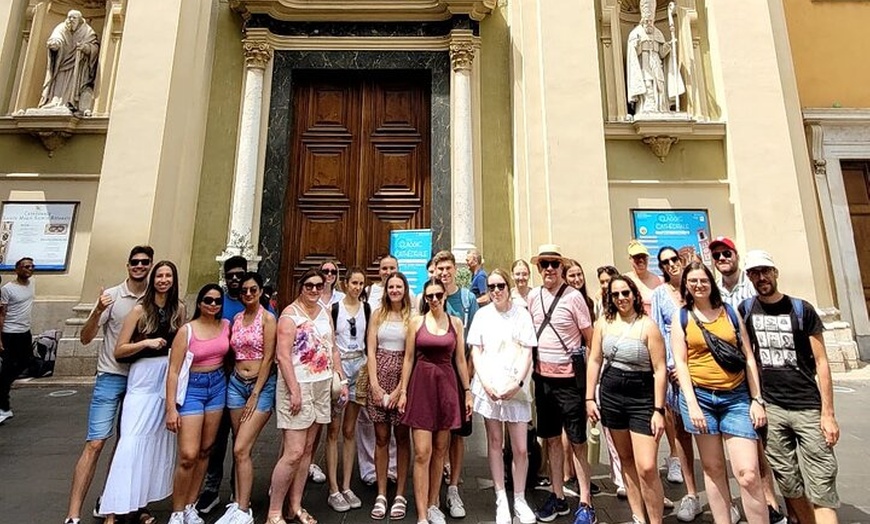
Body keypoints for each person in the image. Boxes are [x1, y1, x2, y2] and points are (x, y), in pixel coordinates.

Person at [739, 251, 840, 524]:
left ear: (775, 272)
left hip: (807, 406)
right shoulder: (746, 310)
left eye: (765, 271)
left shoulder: (801, 309)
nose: (761, 277)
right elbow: (746, 356)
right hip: (772, 408)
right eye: (755, 273)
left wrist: (828, 413)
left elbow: (821, 362)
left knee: (822, 483)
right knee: (788, 481)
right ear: (749, 277)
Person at [671, 262, 768, 524]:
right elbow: (681, 363)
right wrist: (691, 404)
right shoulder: (682, 317)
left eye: (703, 280)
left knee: (748, 473)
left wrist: (756, 399)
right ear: (686, 285)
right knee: (713, 469)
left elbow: (748, 356)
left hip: (736, 397)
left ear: (711, 282)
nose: (698, 285)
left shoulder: (730, 313)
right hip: (701, 398)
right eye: (693, 281)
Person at [64, 246, 153, 524]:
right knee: (95, 443)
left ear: (150, 265)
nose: (139, 266)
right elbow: (85, 338)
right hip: (110, 376)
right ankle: (73, 514)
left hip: (140, 381)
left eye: (145, 262)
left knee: (127, 444)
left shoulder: (154, 297)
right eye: (135, 262)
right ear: (128, 265)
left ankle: (110, 500)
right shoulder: (112, 296)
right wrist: (97, 311)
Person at [99, 260, 186, 524]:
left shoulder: (179, 309)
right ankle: (111, 510)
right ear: (153, 279)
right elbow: (119, 350)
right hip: (142, 378)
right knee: (130, 441)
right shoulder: (139, 310)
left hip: (166, 376)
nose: (163, 280)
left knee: (153, 445)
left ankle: (139, 505)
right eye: (159, 276)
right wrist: (146, 343)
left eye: (168, 276)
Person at [266, 269, 348, 524]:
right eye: (309, 285)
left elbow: (333, 348)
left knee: (308, 450)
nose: (314, 290)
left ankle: (295, 505)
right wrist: (294, 390)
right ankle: (274, 512)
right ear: (300, 287)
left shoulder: (324, 311)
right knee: (293, 452)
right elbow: (282, 356)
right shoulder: (290, 316)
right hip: (298, 386)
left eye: (318, 286)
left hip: (321, 386)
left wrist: (341, 378)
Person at [587, 276, 667, 524]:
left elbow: (660, 369)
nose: (621, 298)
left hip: (642, 396)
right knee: (626, 459)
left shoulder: (648, 326)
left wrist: (659, 410)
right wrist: (589, 398)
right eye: (615, 294)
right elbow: (595, 360)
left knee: (647, 466)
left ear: (634, 295)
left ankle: (656, 520)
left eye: (625, 293)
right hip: (612, 395)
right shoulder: (603, 323)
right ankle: (638, 516)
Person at [527, 244, 596, 524]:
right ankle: (557, 496)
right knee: (552, 439)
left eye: (554, 264)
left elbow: (590, 339)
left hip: (570, 382)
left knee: (577, 441)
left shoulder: (574, 298)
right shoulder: (533, 296)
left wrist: (591, 387)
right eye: (544, 264)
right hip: (543, 380)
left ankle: (585, 501)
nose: (549, 269)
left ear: (561, 267)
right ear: (539, 268)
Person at [398, 278, 472, 524]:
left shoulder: (456, 323)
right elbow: (409, 358)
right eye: (430, 296)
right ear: (425, 298)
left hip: (447, 388)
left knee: (440, 450)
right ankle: (421, 514)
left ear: (444, 295)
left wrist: (467, 391)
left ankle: (433, 504)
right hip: (422, 387)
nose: (434, 300)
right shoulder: (416, 322)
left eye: (438, 295)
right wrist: (403, 391)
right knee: (422, 452)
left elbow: (460, 360)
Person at [467, 269, 537, 524]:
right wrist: (485, 383)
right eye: (492, 287)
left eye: (500, 286)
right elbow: (476, 351)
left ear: (508, 287)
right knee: (495, 443)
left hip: (515, 386)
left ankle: (519, 498)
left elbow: (528, 351)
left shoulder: (522, 314)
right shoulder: (483, 315)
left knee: (520, 447)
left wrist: (517, 384)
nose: (496, 291)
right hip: (491, 385)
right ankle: (500, 499)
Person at [215, 272, 277, 524]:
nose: (249, 294)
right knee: (240, 447)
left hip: (260, 387)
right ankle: (240, 502)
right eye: (244, 291)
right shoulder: (237, 319)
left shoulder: (268, 319)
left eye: (253, 290)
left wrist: (255, 392)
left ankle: (243, 508)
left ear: (261, 291)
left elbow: (269, 357)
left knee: (241, 447)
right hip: (236, 384)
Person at [165, 285, 231, 524]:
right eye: (208, 300)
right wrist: (171, 408)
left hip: (217, 387)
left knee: (205, 450)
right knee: (188, 454)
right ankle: (176, 511)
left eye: (217, 301)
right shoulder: (187, 330)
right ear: (200, 302)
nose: (213, 304)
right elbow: (173, 371)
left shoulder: (226, 326)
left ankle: (190, 506)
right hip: (193, 388)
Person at [649, 246, 704, 521]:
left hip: (702, 369)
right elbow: (658, 332)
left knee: (709, 436)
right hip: (674, 373)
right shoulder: (660, 294)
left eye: (674, 259)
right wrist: (668, 366)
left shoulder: (697, 286)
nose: (671, 264)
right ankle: (691, 494)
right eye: (665, 262)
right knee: (682, 435)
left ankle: (721, 495)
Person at [432, 250, 479, 518]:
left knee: (458, 434)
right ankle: (435, 487)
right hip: (434, 376)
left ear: (454, 269)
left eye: (448, 268)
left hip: (459, 375)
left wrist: (467, 380)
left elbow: (474, 342)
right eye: (440, 269)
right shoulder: (429, 297)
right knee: (437, 434)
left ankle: (453, 488)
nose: (444, 273)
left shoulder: (467, 299)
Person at [365, 271, 413, 520]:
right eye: (391, 287)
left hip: (402, 382)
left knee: (402, 438)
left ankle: (401, 494)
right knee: (381, 437)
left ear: (405, 290)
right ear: (386, 290)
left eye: (399, 287)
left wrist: (399, 389)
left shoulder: (411, 317)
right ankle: (382, 493)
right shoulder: (377, 314)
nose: (395, 290)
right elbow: (371, 351)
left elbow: (411, 356)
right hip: (379, 377)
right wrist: (374, 385)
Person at [324, 267, 369, 513]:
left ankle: (347, 485)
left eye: (361, 283)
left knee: (350, 430)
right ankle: (333, 488)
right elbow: (330, 341)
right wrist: (337, 372)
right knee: (333, 429)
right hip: (339, 369)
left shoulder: (367, 309)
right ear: (346, 284)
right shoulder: (335, 308)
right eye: (354, 283)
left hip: (359, 367)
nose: (357, 287)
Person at [625, 0, 683, 115]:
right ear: (642, 20)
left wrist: (667, 46)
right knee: (648, 85)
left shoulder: (658, 33)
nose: (649, 23)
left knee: (660, 86)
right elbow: (633, 54)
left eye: (651, 21)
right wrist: (637, 45)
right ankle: (648, 108)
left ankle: (661, 108)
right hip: (644, 64)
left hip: (656, 64)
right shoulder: (636, 33)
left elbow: (661, 54)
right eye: (647, 21)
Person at [39, 9, 99, 113]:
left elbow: (94, 47)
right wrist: (55, 44)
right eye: (69, 17)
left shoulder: (87, 31)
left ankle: (71, 103)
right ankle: (55, 101)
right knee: (59, 82)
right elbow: (56, 37)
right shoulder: (62, 27)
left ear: (79, 20)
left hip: (78, 66)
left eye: (74, 18)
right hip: (61, 63)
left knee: (73, 85)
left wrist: (85, 48)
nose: (71, 20)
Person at [0, 256, 35, 423]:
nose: (30, 269)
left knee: (24, 363)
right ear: (17, 269)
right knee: (7, 369)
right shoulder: (7, 289)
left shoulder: (32, 284)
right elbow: (2, 314)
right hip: (10, 333)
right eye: (26, 266)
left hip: (24, 332)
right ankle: (3, 407)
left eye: (32, 266)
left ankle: (3, 386)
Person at [710, 237, 756, 310]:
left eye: (727, 253)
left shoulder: (753, 283)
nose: (721, 258)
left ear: (737, 257)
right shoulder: (713, 289)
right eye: (716, 255)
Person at [625, 240, 662, 315]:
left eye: (643, 257)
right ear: (630, 259)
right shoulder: (625, 280)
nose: (641, 260)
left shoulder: (659, 280)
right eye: (637, 257)